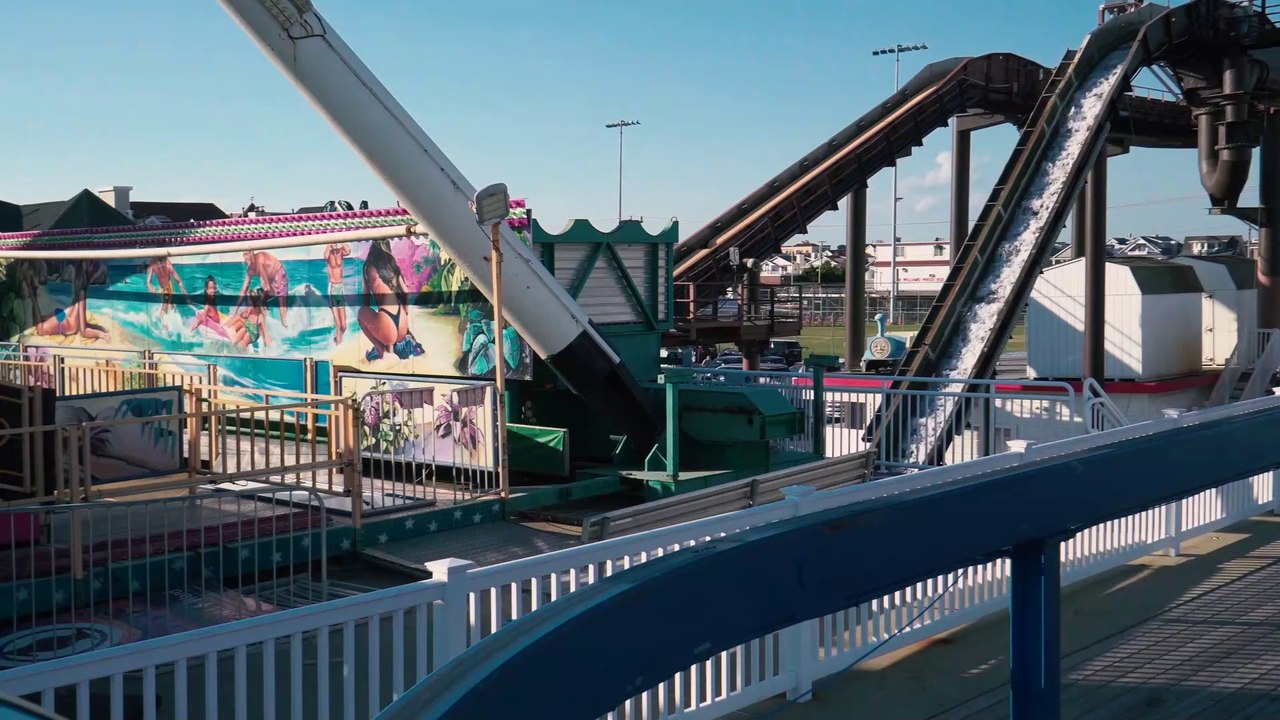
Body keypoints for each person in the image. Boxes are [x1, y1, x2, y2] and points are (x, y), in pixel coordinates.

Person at [357, 239, 422, 362]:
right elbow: (405, 292)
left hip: (387, 322)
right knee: (387, 330)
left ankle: (381, 351)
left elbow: (366, 296)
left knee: (361, 313)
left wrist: (371, 315)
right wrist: (405, 313)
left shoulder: (368, 267)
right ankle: (391, 348)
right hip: (402, 321)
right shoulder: (392, 265)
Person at [32, 261, 109, 340]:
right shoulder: (82, 291)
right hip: (68, 323)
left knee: (42, 323)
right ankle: (32, 294)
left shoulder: (79, 289)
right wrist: (101, 333)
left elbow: (83, 325)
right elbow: (84, 331)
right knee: (41, 327)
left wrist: (98, 329)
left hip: (67, 321)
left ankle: (32, 294)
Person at [234, 250, 289, 328]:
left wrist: (261, 302)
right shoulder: (250, 270)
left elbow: (267, 288)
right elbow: (244, 290)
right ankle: (264, 321)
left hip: (278, 273)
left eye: (246, 254)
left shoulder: (259, 261)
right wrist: (235, 309)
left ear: (252, 253)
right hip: (270, 280)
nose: (245, 258)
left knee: (281, 307)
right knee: (253, 295)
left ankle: (286, 325)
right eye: (244, 256)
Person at [324, 243, 351, 343]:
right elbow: (325, 256)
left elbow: (348, 251)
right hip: (332, 288)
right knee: (339, 326)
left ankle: (337, 338)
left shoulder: (340, 252)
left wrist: (342, 241)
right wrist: (329, 245)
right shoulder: (329, 253)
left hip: (340, 288)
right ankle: (339, 345)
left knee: (344, 326)